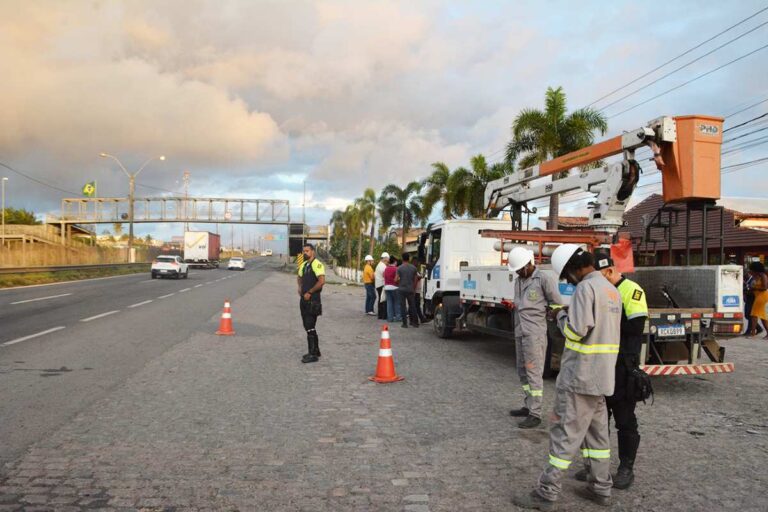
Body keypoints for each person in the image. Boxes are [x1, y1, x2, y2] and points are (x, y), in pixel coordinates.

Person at [514, 244, 622, 510]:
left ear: (574, 269)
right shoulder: (611, 289)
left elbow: (576, 331)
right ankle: (601, 489)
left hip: (579, 377)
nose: (569, 282)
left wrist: (560, 314)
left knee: (564, 435)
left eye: (567, 277)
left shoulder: (586, 288)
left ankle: (546, 493)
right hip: (601, 377)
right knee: (598, 438)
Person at [573, 252, 648, 490]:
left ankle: (626, 468)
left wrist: (605, 321)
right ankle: (596, 468)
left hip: (623, 367)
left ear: (609, 270)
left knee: (625, 421)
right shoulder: (601, 291)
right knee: (598, 421)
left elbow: (636, 327)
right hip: (600, 365)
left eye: (602, 274)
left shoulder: (631, 290)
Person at [508, 247, 562, 429]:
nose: (518, 272)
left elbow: (557, 303)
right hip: (520, 331)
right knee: (522, 371)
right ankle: (528, 404)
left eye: (520, 268)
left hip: (534, 334)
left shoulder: (544, 279)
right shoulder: (518, 281)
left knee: (533, 372)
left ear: (529, 264)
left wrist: (550, 313)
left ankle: (536, 413)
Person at [297, 243, 326, 364]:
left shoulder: (317, 264)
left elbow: (321, 281)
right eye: (304, 251)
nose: (305, 253)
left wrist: (310, 292)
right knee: (307, 325)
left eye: (307, 251)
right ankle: (316, 350)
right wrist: (299, 287)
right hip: (303, 299)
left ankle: (312, 354)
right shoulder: (303, 265)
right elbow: (299, 277)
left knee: (310, 325)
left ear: (312, 252)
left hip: (313, 299)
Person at [396, 253, 420, 328]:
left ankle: (404, 324)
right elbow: (416, 280)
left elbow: (396, 279)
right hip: (410, 290)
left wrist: (399, 282)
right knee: (412, 306)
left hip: (401, 290)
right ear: (409, 259)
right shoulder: (413, 268)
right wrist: (414, 288)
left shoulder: (399, 268)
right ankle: (415, 323)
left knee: (403, 306)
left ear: (402, 258)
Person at [748, 261, 768, 338]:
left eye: (752, 270)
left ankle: (753, 334)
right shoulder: (756, 276)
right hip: (758, 296)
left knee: (754, 315)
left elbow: (765, 287)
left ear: (756, 269)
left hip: (762, 296)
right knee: (762, 316)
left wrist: (754, 288)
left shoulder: (763, 276)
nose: (751, 271)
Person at [744, 269, 763, 335]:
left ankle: (749, 331)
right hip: (748, 299)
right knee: (747, 315)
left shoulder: (753, 280)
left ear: (748, 274)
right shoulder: (747, 280)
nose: (744, 276)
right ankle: (758, 328)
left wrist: (745, 290)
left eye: (745, 274)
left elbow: (752, 290)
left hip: (752, 299)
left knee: (750, 315)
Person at [383, 256, 402, 323]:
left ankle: (390, 318)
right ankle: (398, 317)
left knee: (389, 303)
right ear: (395, 262)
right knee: (397, 303)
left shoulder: (386, 269)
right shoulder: (396, 269)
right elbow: (398, 279)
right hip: (395, 287)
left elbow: (384, 276)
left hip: (387, 287)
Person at [413, 258, 428, 323]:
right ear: (414, 262)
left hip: (417, 290)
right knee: (416, 305)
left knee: (416, 305)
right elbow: (415, 279)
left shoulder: (416, 270)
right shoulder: (414, 270)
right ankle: (420, 319)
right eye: (417, 262)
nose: (418, 264)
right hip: (415, 291)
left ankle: (421, 318)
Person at [375, 252, 389, 320]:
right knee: (383, 300)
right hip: (381, 284)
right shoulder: (383, 266)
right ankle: (383, 316)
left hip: (378, 284)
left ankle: (380, 315)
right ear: (385, 258)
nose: (388, 260)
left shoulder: (379, 264)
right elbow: (384, 275)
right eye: (388, 259)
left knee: (380, 300)